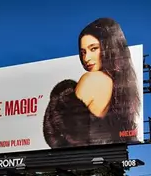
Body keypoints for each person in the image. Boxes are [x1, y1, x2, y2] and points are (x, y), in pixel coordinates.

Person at [43, 18, 141, 149]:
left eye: (93, 49)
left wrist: (62, 95)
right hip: (106, 155)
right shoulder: (122, 86)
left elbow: (58, 133)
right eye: (83, 52)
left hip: (84, 158)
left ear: (109, 48)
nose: (86, 58)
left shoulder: (93, 79)